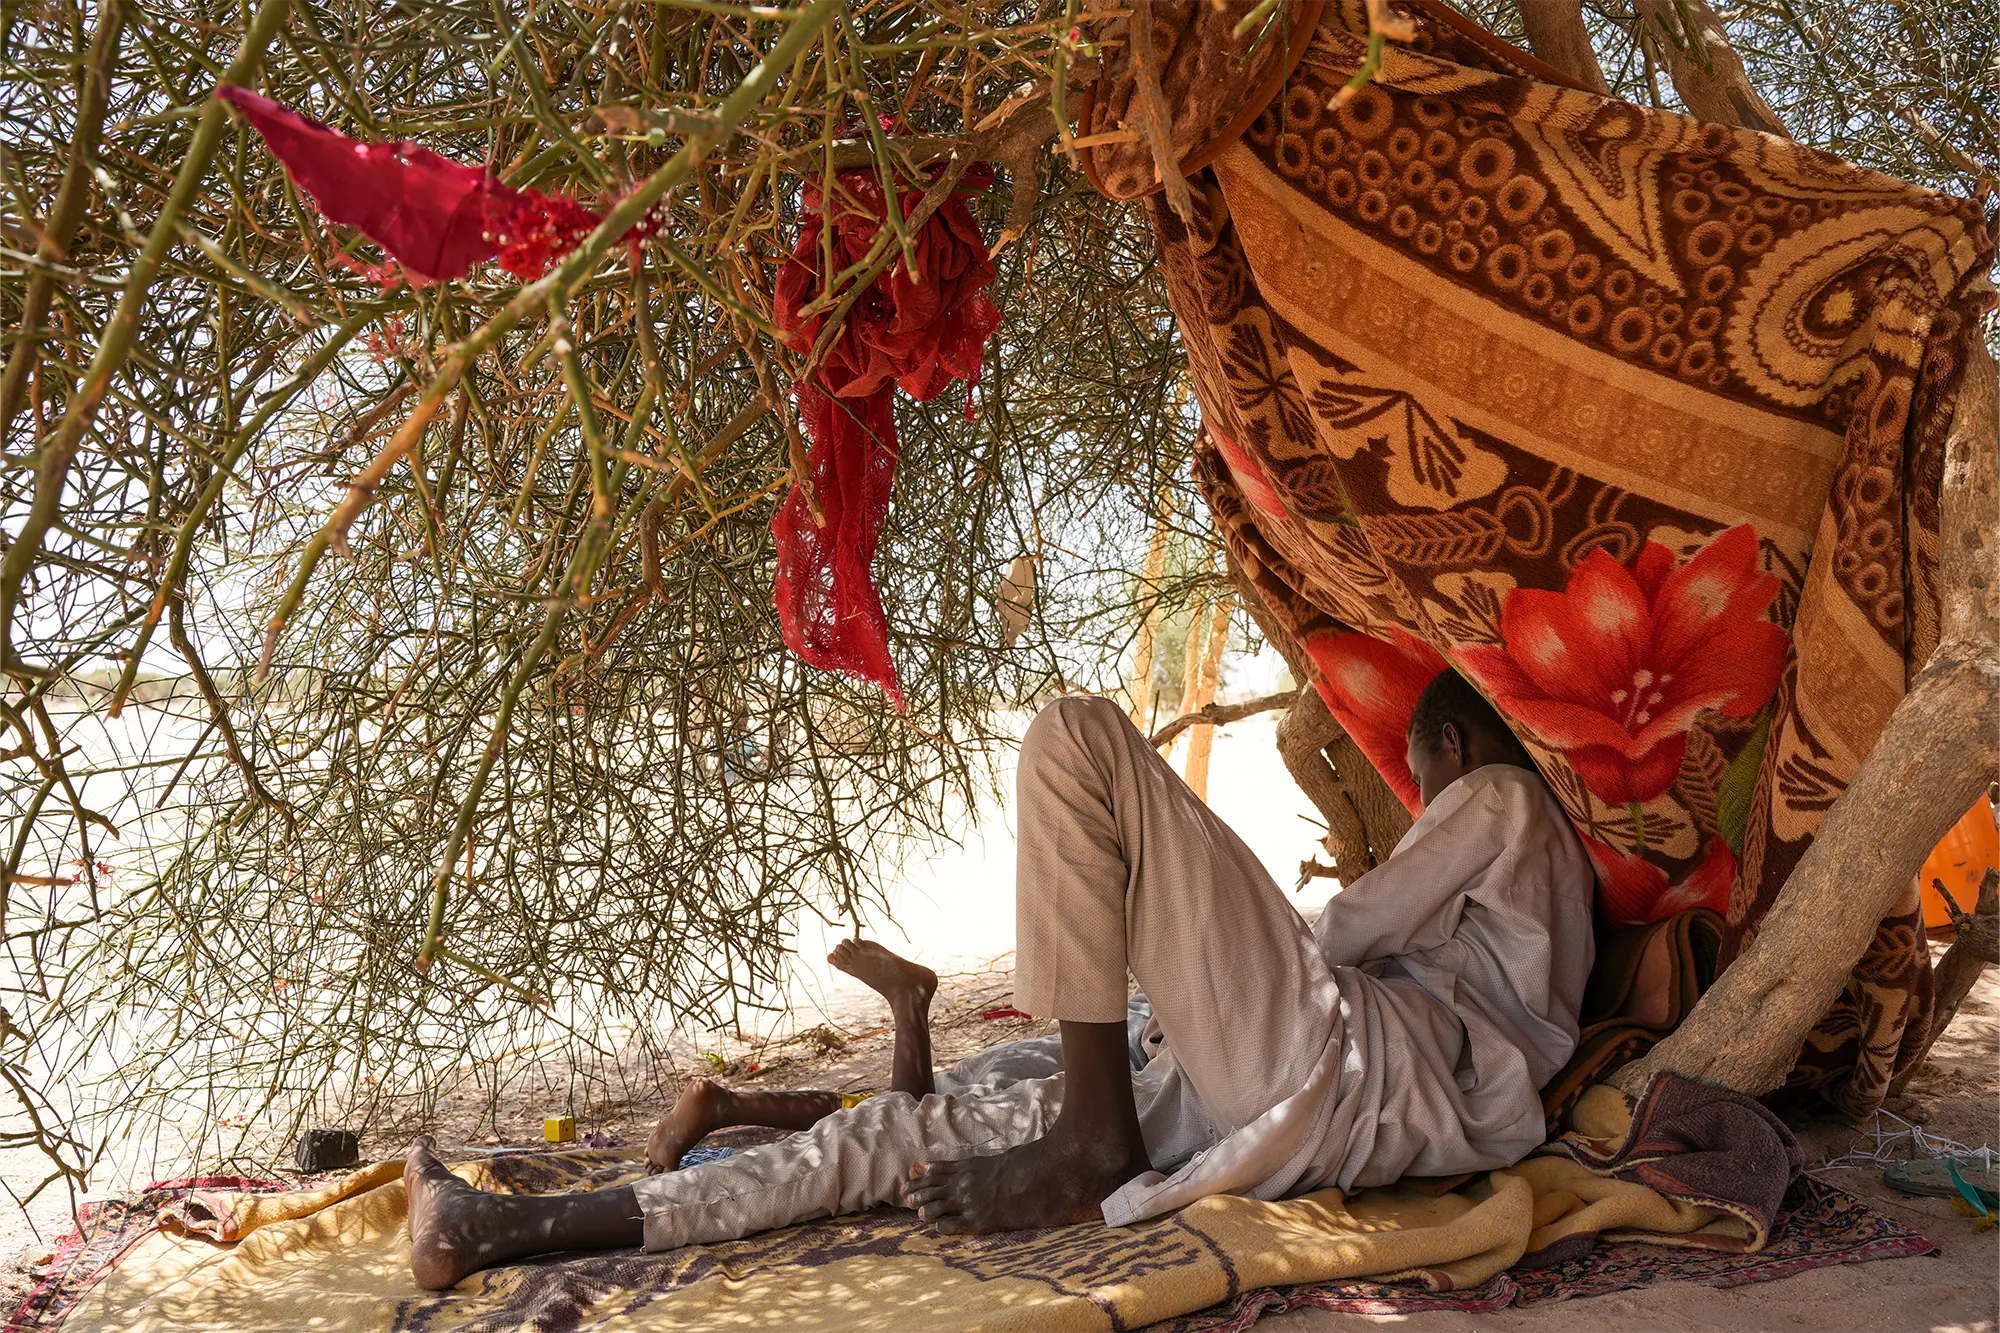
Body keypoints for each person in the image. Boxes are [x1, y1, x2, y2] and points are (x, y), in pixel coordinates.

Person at [405, 668, 1594, 1289]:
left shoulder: (1501, 794)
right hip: (1298, 1093)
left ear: (1458, 749)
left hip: (1333, 1069)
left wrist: (1208, 937)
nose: (1426, 795)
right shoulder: (1523, 920)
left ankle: (1089, 1138)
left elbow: (1342, 937)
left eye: (1420, 773)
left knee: (1074, 736)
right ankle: (501, 1227)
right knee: (899, 1137)